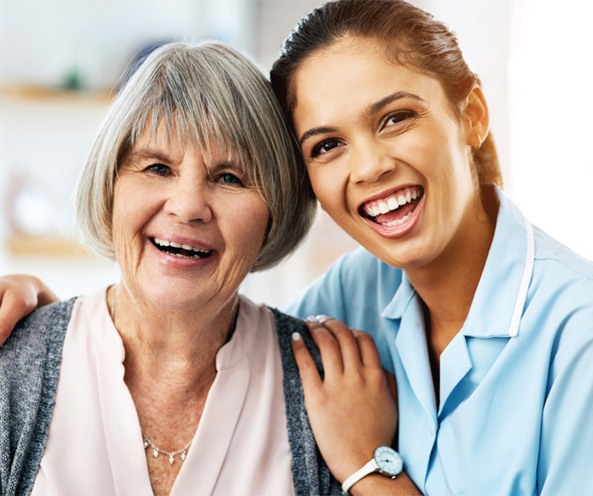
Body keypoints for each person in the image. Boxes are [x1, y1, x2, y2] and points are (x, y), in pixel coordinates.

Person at [3, 0, 593, 494]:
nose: (369, 167)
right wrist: (42, 324)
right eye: (327, 144)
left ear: (473, 115)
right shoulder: (350, 297)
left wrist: (366, 464)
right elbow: (196, 309)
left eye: (394, 119)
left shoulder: (578, 333)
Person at [0, 40, 398, 496]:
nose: (188, 206)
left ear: (274, 211)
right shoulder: (13, 367)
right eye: (156, 167)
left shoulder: (335, 390)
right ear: (110, 189)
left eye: (230, 178)